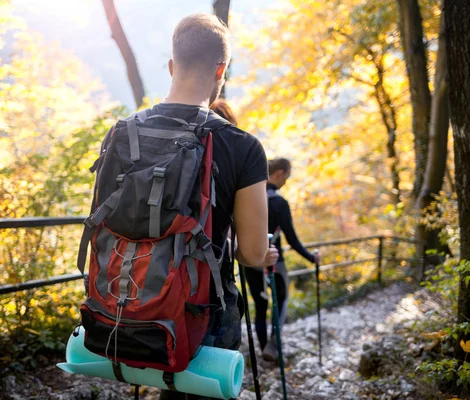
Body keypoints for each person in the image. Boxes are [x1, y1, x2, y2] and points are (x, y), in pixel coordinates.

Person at [153, 14, 278, 400]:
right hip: (204, 312)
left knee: (168, 389)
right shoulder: (241, 146)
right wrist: (263, 253)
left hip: (133, 301)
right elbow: (253, 253)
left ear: (171, 66)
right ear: (221, 70)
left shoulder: (123, 131)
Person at [245, 158, 320, 362]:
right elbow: (292, 240)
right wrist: (311, 258)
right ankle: (273, 346)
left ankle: (263, 350)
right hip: (273, 261)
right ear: (279, 173)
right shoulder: (278, 202)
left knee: (261, 306)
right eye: (287, 176)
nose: (287, 181)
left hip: (249, 259)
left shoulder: (248, 198)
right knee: (281, 301)